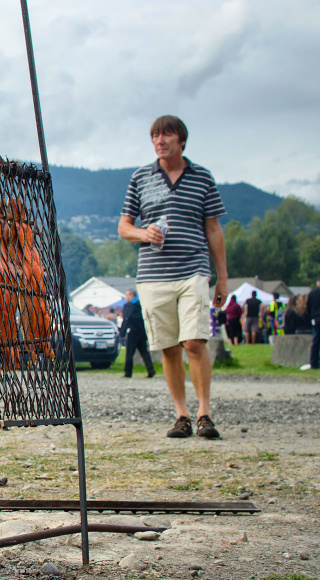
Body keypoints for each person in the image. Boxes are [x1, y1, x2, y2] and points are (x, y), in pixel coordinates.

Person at [117, 115, 228, 440]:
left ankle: (204, 412)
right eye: (155, 135)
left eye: (166, 135)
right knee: (168, 347)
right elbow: (124, 227)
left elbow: (213, 228)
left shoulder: (202, 177)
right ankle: (182, 415)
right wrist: (143, 233)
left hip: (193, 269)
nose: (159, 141)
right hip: (153, 275)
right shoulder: (141, 177)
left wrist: (222, 278)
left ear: (181, 141)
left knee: (193, 341)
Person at [119, 288, 155, 379]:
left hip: (133, 332)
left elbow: (126, 319)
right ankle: (151, 371)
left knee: (130, 353)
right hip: (142, 331)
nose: (126, 298)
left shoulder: (129, 306)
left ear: (131, 295)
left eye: (126, 296)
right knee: (144, 352)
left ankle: (128, 372)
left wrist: (122, 333)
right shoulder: (141, 304)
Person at [307, 277, 320, 371]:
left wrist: (311, 317)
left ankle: (314, 362)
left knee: (316, 341)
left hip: (316, 319)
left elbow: (308, 307)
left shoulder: (312, 293)